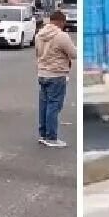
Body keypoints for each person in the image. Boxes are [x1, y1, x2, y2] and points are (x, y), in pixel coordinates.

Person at [35, 10, 76, 147]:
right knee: (54, 106)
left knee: (44, 105)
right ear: (61, 21)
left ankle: (43, 134)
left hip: (42, 73)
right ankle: (51, 137)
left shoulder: (39, 34)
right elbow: (73, 53)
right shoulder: (61, 36)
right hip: (57, 74)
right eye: (64, 23)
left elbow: (37, 53)